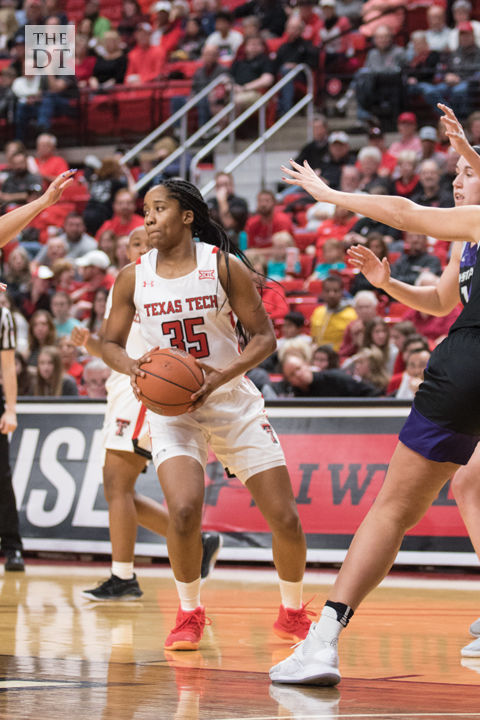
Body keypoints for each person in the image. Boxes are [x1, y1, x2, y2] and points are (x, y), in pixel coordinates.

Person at [269, 106, 480, 685]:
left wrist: (330, 193)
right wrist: (386, 285)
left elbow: (406, 211)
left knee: (393, 508)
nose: (459, 178)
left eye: (467, 173)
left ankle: (322, 642)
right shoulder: (465, 245)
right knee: (469, 483)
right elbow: (440, 304)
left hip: (470, 365)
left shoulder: (477, 220)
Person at [102, 179, 312, 651]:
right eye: (145, 211)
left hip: (230, 399)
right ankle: (190, 612)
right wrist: (135, 368)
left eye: (159, 209)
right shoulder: (133, 277)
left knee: (285, 518)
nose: (149, 218)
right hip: (172, 410)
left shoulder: (222, 266)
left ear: (187, 215)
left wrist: (215, 379)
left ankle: (293, 611)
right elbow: (109, 344)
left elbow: (264, 338)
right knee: (181, 511)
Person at [0, 303, 24, 571]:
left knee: (2, 478)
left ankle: (12, 547)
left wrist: (10, 409)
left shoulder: (2, 315)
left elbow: (7, 366)